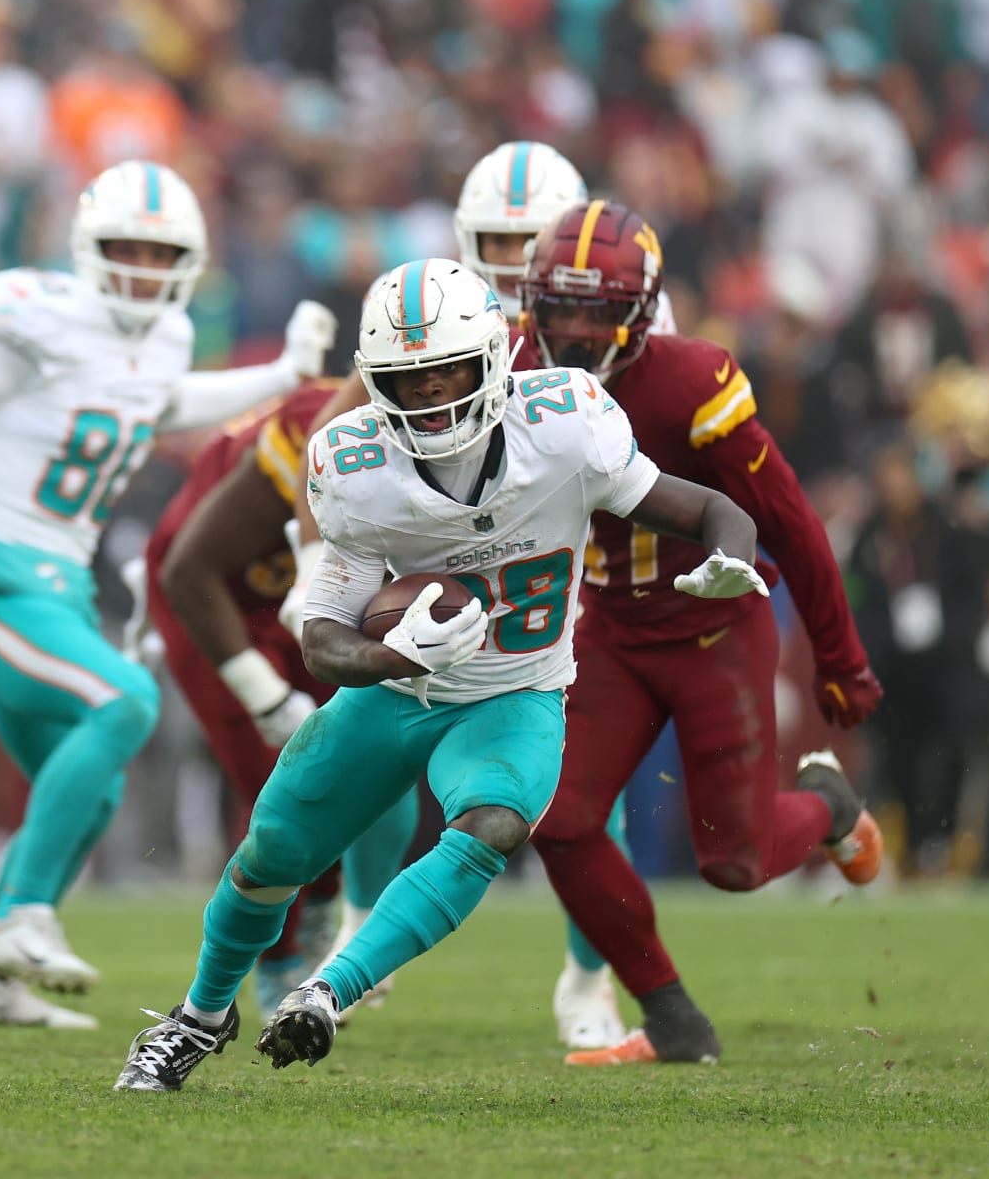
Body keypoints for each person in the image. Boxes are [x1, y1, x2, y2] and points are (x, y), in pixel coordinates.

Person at [112, 258, 772, 1091]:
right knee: (270, 854)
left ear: (495, 357)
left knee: (494, 824)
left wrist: (729, 559)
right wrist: (397, 655)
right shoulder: (354, 467)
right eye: (407, 379)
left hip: (514, 693)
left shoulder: (566, 427)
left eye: (448, 370)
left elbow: (714, 508)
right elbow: (322, 639)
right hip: (396, 696)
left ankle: (329, 989)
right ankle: (199, 1018)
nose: (430, 395)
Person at [0, 159, 337, 1030]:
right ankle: (19, 917)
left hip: (60, 588)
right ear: (88, 247)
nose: (143, 269)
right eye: (126, 248)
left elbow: (158, 406)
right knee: (124, 702)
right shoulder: (33, 315)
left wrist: (277, 376)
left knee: (91, 786)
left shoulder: (157, 338)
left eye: (163, 254)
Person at [279, 141, 674, 1051]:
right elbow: (340, 438)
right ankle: (364, 918)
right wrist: (322, 580)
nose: (512, 257)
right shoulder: (431, 324)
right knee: (374, 738)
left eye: (531, 237)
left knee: (587, 786)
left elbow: (649, 466)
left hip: (573, 579)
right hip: (438, 581)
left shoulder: (608, 323)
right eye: (496, 238)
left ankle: (589, 974)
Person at [515, 199, 883, 1066]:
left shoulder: (690, 382)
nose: (570, 331)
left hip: (715, 626)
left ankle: (826, 805)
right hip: (608, 623)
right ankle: (672, 1017)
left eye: (594, 311)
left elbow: (790, 521)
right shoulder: (505, 363)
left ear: (639, 315)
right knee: (556, 818)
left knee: (734, 862)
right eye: (556, 308)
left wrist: (840, 652)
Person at [142, 381, 419, 1022]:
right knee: (281, 786)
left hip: (313, 602)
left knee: (376, 745)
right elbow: (188, 571)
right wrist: (263, 697)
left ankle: (332, 915)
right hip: (214, 602)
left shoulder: (459, 434)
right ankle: (275, 961)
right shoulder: (314, 437)